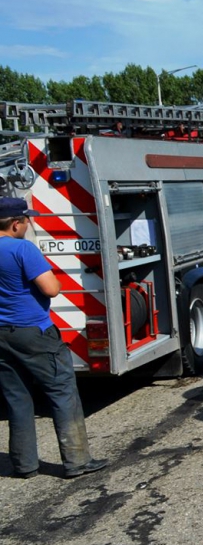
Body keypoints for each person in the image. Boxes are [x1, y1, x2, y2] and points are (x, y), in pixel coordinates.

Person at [0, 197, 108, 479]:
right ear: (15, 224)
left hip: (1, 335)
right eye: (26, 220)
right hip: (33, 331)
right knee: (62, 391)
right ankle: (77, 461)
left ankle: (24, 465)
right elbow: (51, 289)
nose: (29, 224)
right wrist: (56, 281)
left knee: (17, 398)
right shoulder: (23, 248)